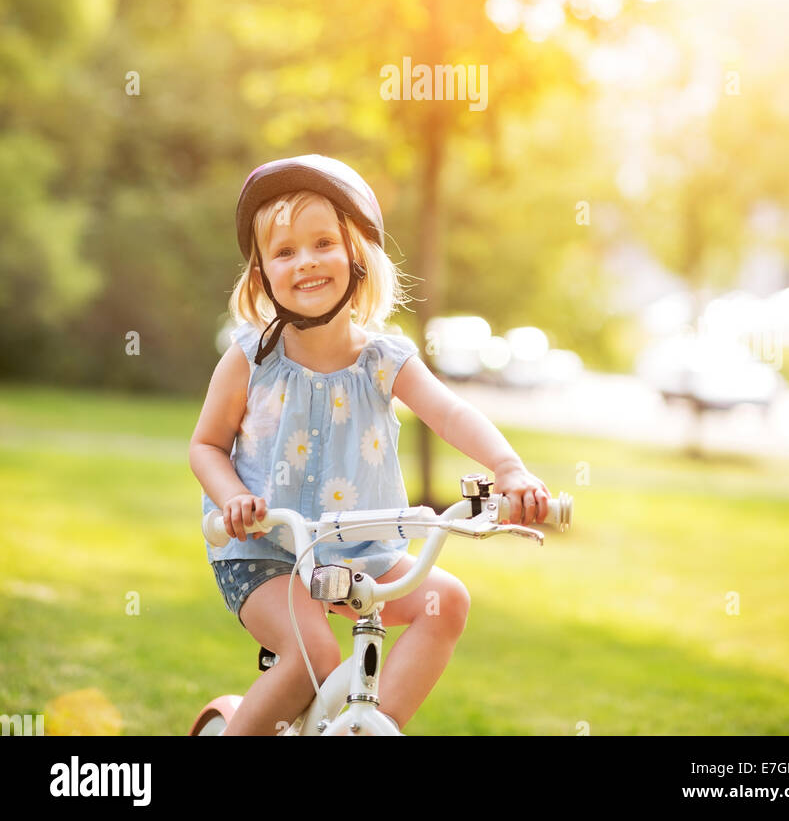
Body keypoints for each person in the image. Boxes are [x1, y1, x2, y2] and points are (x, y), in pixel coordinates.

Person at [189, 154, 552, 736]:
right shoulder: (250, 359)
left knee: (446, 601)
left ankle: (369, 726)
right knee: (312, 661)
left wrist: (508, 467)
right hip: (264, 551)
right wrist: (232, 498)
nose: (305, 261)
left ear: (357, 257)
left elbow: (451, 412)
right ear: (261, 277)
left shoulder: (385, 360)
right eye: (284, 252)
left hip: (358, 549)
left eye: (322, 243)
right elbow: (205, 445)